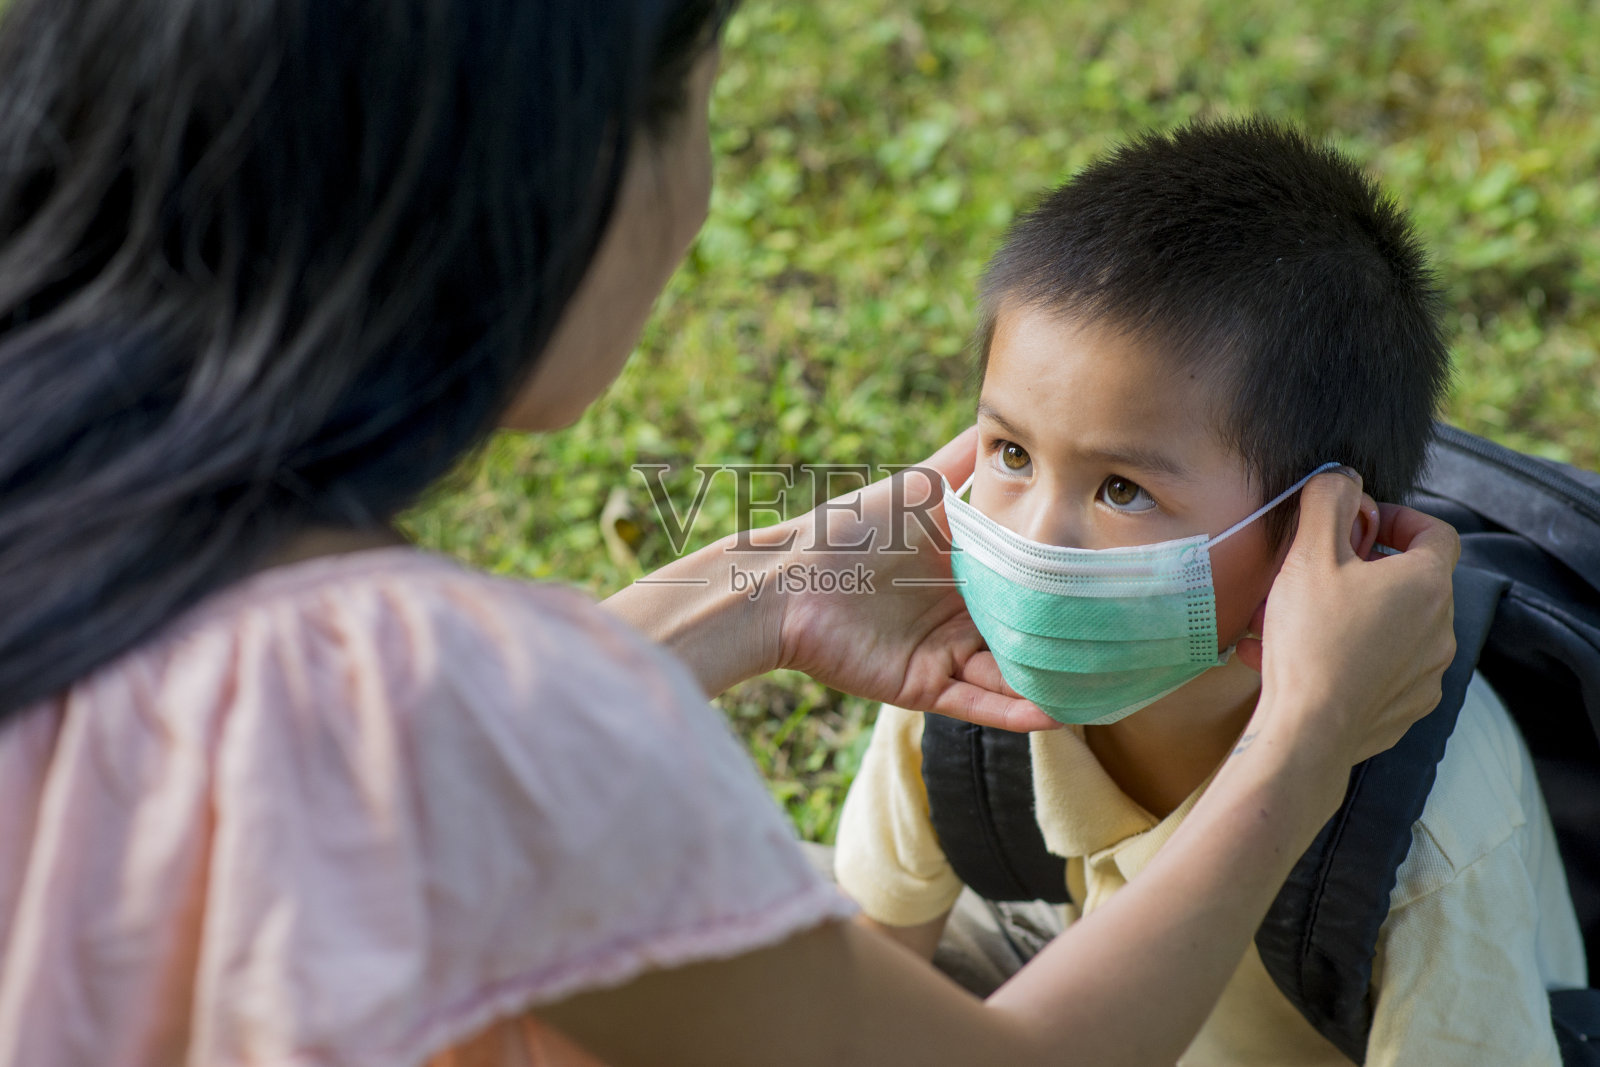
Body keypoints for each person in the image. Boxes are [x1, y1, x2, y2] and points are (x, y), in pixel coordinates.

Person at [0, 3, 1460, 1066]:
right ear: (542, 180)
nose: (698, 202)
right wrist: (1305, 739)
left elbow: (372, 757)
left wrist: (765, 579)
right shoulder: (450, 707)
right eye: (694, 99)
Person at [834, 119, 1586, 1066]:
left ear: (1330, 536)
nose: (1030, 545)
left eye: (1122, 489)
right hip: (1059, 981)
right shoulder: (965, 667)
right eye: (1011, 453)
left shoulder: (1427, 827)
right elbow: (857, 975)